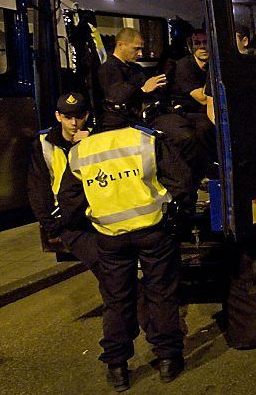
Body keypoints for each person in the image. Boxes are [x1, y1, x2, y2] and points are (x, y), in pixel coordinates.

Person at [58, 95, 195, 392]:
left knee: (117, 300)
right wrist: (178, 213)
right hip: (152, 232)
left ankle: (117, 367)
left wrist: (78, 225)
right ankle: (168, 359)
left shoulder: (83, 150)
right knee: (160, 294)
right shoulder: (147, 140)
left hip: (109, 236)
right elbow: (181, 182)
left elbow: (68, 199)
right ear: (137, 110)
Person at [98, 27, 199, 173]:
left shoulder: (136, 68)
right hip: (131, 120)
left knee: (196, 125)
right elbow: (117, 98)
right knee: (184, 137)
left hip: (154, 111)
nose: (139, 53)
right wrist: (143, 90)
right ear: (121, 45)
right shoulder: (108, 69)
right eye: (136, 49)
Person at [26, 91, 99, 271]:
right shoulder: (43, 143)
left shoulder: (97, 139)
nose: (74, 123)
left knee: (107, 268)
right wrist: (51, 227)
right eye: (68, 117)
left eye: (79, 117)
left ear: (87, 116)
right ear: (58, 116)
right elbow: (37, 189)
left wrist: (88, 143)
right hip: (64, 221)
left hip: (94, 216)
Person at [168, 29, 216, 177]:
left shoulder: (212, 64)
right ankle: (208, 173)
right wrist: (213, 73)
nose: (202, 47)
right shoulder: (184, 67)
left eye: (206, 42)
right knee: (205, 126)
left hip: (204, 107)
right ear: (191, 46)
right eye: (197, 43)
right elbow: (202, 98)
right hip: (184, 110)